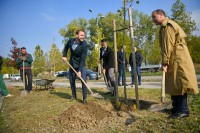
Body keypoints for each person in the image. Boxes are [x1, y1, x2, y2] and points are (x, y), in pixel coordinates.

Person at [151, 9, 199, 119]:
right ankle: (176, 108)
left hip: (177, 57)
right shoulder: (163, 26)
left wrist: (164, 62)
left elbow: (168, 45)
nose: (153, 20)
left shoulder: (168, 26)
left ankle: (183, 110)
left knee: (179, 83)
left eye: (154, 17)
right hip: (173, 57)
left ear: (161, 15)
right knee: (173, 82)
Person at [62, 29, 88, 103]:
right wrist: (64, 55)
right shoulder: (71, 41)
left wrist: (79, 71)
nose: (83, 37)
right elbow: (66, 47)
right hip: (72, 63)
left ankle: (85, 98)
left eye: (84, 35)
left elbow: (83, 59)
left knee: (83, 81)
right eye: (81, 35)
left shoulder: (84, 45)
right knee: (71, 80)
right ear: (77, 35)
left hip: (81, 65)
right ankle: (74, 96)